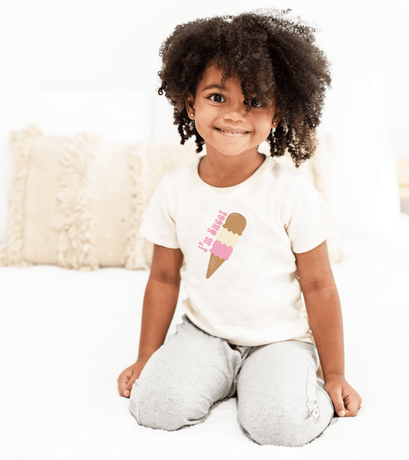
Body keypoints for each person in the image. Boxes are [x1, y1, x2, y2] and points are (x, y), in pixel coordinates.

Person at [117, 9, 362, 447]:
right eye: (217, 96)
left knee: (279, 426)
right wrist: (146, 358)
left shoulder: (291, 192)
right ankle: (223, 377)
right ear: (190, 104)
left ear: (276, 114)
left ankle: (271, 381)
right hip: (204, 334)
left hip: (278, 340)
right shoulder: (174, 190)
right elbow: (164, 278)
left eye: (254, 101)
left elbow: (319, 285)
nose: (235, 114)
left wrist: (335, 374)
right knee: (154, 406)